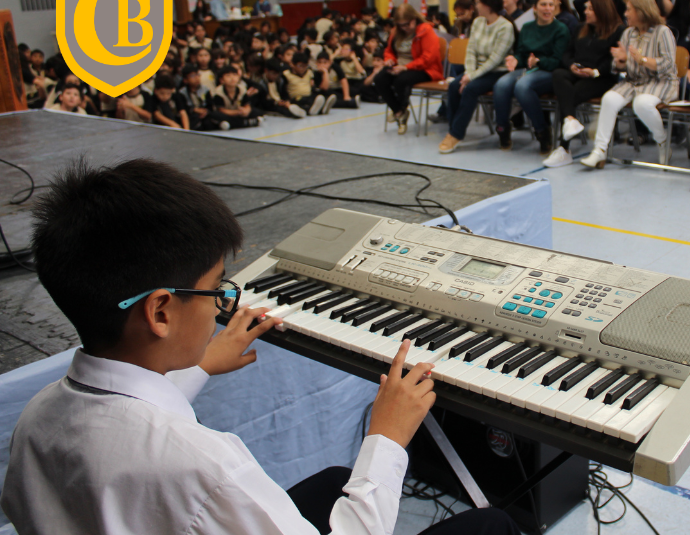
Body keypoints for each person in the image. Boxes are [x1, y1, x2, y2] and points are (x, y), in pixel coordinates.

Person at [0, 157, 517, 535]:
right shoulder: (204, 467)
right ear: (160, 312)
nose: (221, 304)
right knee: (491, 525)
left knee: (335, 481)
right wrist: (386, 436)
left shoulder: (37, 419)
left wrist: (199, 364)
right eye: (215, 289)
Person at [579, 0, 679, 169]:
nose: (625, 14)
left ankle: (662, 141)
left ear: (641, 11)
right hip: (634, 81)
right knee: (609, 99)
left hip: (660, 81)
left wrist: (642, 60)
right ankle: (599, 150)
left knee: (642, 104)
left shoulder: (663, 32)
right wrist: (621, 61)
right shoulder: (628, 33)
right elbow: (621, 67)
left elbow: (668, 64)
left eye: (629, 9)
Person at [545, 0, 626, 167]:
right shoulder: (581, 28)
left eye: (590, 9)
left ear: (602, 11)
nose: (585, 12)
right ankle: (570, 121)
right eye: (586, 8)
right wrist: (571, 65)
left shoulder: (618, 31)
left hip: (602, 77)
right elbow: (567, 52)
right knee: (559, 74)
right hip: (578, 71)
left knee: (570, 95)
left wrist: (595, 72)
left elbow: (613, 61)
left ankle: (564, 147)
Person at [492, 0, 570, 153]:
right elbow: (521, 54)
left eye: (551, 5)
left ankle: (542, 131)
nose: (547, 8)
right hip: (528, 70)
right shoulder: (527, 28)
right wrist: (515, 59)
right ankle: (503, 129)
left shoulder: (561, 29)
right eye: (543, 5)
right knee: (501, 84)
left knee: (522, 86)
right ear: (535, 8)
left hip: (550, 71)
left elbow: (558, 61)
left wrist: (538, 61)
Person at [439, 0, 515, 153]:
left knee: (470, 89)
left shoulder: (505, 27)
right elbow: (471, 50)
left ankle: (456, 134)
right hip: (476, 70)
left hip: (496, 72)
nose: (476, 6)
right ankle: (453, 129)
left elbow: (495, 60)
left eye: (479, 2)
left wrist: (471, 77)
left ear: (488, 5)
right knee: (454, 86)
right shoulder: (478, 22)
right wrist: (468, 73)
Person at [376, 4, 444, 135]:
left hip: (425, 69)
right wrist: (389, 60)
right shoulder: (396, 32)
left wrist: (406, 67)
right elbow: (389, 51)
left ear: (414, 18)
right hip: (400, 66)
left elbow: (428, 58)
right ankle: (399, 112)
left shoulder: (426, 30)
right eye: (400, 25)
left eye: (406, 24)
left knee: (401, 81)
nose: (404, 28)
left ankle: (401, 109)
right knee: (380, 79)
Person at [209, 65, 263, 129]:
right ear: (221, 80)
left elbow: (247, 104)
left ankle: (232, 124)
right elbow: (221, 110)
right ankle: (246, 122)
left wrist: (246, 111)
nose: (232, 78)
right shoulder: (218, 92)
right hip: (228, 113)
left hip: (239, 112)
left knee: (257, 111)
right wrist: (237, 112)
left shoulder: (242, 89)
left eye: (234, 75)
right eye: (228, 76)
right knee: (215, 115)